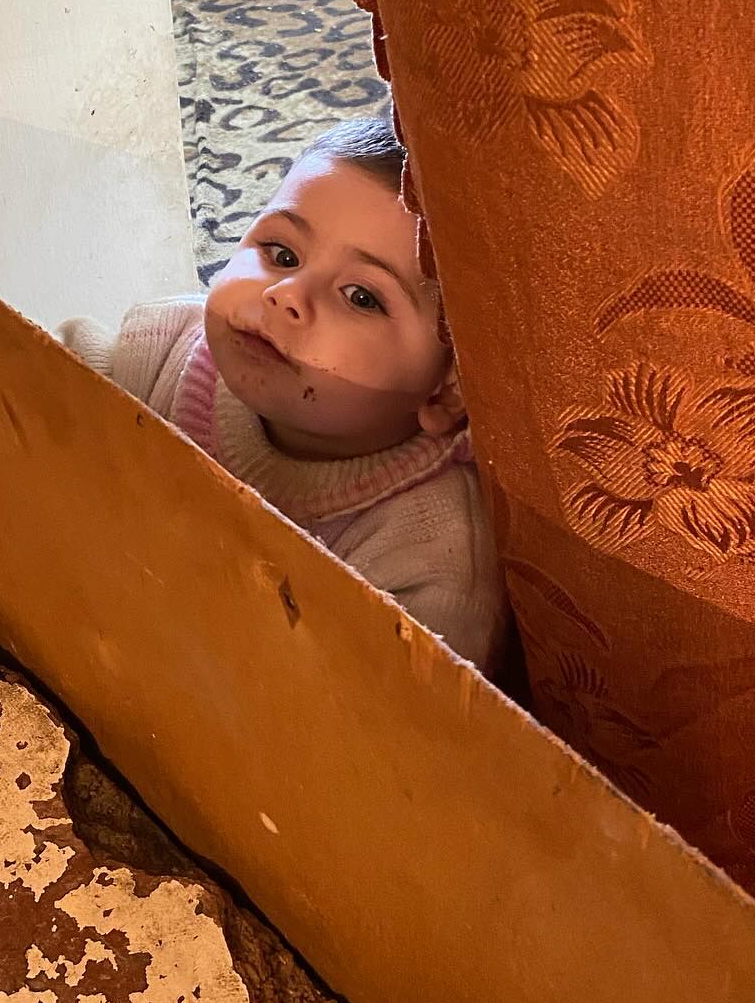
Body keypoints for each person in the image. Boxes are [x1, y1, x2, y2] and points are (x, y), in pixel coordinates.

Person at [58, 115, 507, 672]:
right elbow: (32, 385)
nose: (286, 294)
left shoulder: (432, 556)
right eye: (282, 254)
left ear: (446, 392)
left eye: (361, 297)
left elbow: (392, 711)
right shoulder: (164, 345)